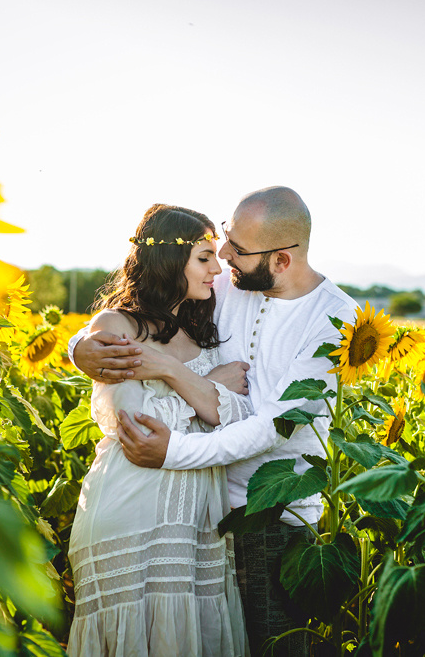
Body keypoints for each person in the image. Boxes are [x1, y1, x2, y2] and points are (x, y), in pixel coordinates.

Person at [69, 187, 359, 655]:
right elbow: (143, 309)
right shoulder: (227, 285)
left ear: (281, 260)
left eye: (236, 250)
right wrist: (81, 347)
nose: (223, 258)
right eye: (224, 240)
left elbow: (272, 426)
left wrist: (173, 441)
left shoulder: (334, 319)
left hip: (268, 516)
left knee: (269, 643)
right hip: (197, 517)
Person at [66, 204, 253, 657]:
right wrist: (207, 390)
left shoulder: (197, 328)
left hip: (197, 521)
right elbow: (132, 429)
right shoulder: (117, 326)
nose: (217, 268)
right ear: (171, 261)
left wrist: (183, 381)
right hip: (132, 506)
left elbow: (235, 414)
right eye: (204, 257)